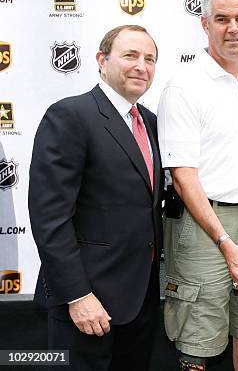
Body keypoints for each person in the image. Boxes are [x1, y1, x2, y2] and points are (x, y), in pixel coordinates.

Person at [157, 0, 238, 371]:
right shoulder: (184, 85)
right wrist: (224, 240)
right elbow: (183, 176)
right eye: (222, 19)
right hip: (202, 224)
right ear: (205, 24)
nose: (233, 28)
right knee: (198, 336)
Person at [29, 24, 163, 371]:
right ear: (102, 60)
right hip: (87, 305)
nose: (141, 66)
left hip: (139, 304)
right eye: (130, 55)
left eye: (150, 59)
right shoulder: (71, 116)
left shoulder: (150, 123)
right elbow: (50, 218)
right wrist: (77, 295)